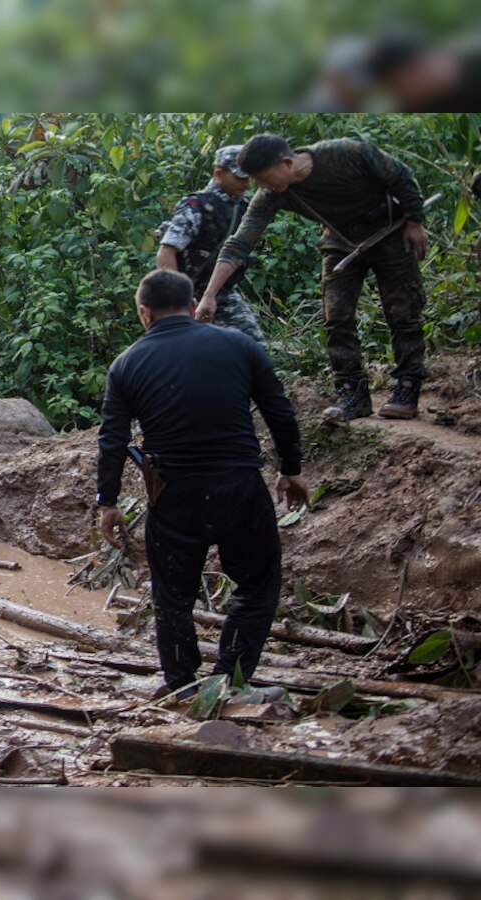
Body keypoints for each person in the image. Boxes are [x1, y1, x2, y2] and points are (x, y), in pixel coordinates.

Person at [98, 269, 310, 701]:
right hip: (240, 487)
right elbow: (279, 411)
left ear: (144, 313)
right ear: (193, 306)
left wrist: (108, 502)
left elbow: (113, 440)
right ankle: (230, 676)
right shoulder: (238, 344)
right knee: (257, 586)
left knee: (173, 595)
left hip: (173, 494)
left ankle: (182, 685)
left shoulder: (126, 364)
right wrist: (290, 468)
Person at [198, 133, 430, 422]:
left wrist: (415, 221)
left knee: (403, 312)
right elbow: (239, 243)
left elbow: (401, 176)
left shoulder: (345, 153)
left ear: (286, 162)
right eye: (257, 181)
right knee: (336, 317)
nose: (262, 186)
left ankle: (407, 390)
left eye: (265, 177)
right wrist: (209, 295)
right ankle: (352, 393)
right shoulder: (273, 193)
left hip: (390, 232)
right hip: (340, 241)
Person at [157, 144, 265, 345]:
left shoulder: (245, 206)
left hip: (222, 293)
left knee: (254, 346)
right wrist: (177, 299)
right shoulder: (197, 206)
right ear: (219, 173)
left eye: (249, 178)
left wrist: (212, 295)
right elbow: (166, 252)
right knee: (185, 352)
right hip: (187, 296)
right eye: (240, 178)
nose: (246, 183)